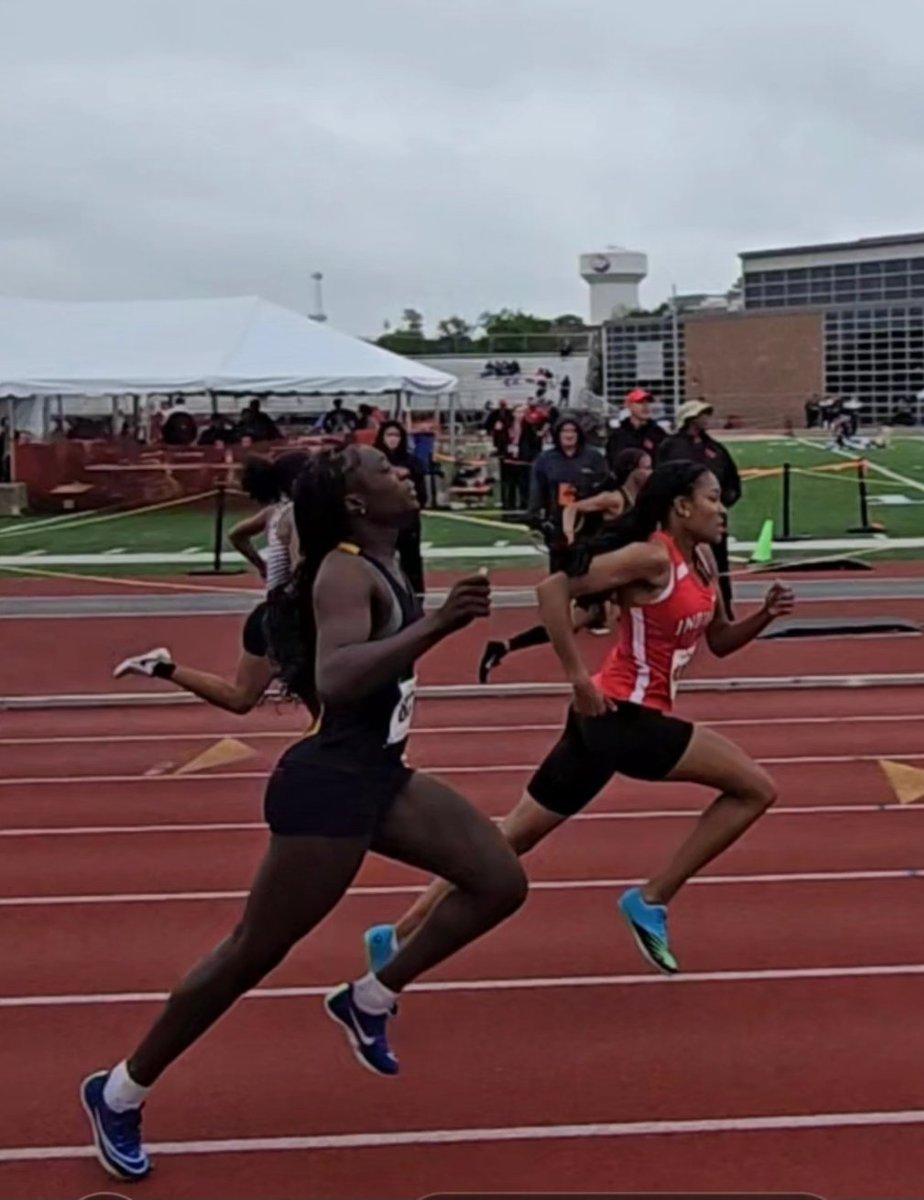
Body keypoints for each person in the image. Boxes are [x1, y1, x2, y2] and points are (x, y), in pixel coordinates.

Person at [81, 445, 527, 1184]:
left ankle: (369, 996)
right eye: (383, 471)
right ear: (354, 503)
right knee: (250, 953)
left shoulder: (379, 560)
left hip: (378, 775)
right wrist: (440, 624)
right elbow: (337, 675)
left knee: (498, 880)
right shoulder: (345, 569)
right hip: (328, 789)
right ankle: (120, 1090)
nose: (403, 473)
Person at [372, 460, 792, 979]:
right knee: (755, 789)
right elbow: (552, 591)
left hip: (604, 722)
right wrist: (576, 677)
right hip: (625, 718)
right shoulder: (650, 558)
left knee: (509, 842)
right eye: (712, 498)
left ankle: (395, 935)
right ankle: (651, 898)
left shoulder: (703, 559)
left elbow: (721, 644)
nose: (723, 508)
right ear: (681, 507)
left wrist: (766, 615)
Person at [111, 451, 309, 714]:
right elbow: (300, 571)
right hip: (284, 618)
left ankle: (159, 666)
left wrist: (262, 566)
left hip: (270, 613)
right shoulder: (296, 514)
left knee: (241, 699)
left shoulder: (275, 512)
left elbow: (236, 534)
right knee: (325, 692)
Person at [477, 447, 653, 682]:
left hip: (621, 570)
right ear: (632, 471)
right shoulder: (614, 499)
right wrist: (569, 533)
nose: (651, 472)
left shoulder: (642, 500)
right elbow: (572, 507)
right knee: (577, 624)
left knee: (573, 626)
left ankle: (503, 646)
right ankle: (626, 677)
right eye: (646, 467)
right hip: (601, 570)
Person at [659, 400, 742, 613]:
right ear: (689, 418)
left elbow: (733, 483)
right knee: (678, 563)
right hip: (679, 520)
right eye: (700, 414)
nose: (705, 419)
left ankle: (722, 609)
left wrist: (720, 502)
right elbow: (660, 481)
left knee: (717, 564)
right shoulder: (670, 447)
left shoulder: (715, 448)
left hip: (712, 519)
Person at [374, 420, 428, 597]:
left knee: (411, 560)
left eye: (396, 435)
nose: (392, 440)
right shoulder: (373, 462)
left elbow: (421, 493)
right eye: (389, 435)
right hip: (382, 520)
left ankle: (416, 596)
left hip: (407, 520)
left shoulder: (412, 462)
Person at [606, 388, 666, 466]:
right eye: (640, 402)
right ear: (629, 406)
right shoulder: (619, 435)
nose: (645, 406)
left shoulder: (658, 433)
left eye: (648, 402)